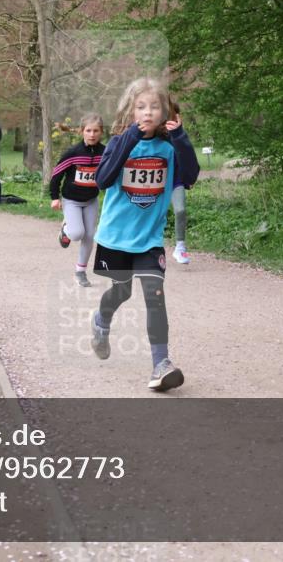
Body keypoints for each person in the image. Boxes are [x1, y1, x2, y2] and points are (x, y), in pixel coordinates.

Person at [89, 77, 199, 392]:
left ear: (165, 112)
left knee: (154, 294)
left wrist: (181, 137)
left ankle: (161, 364)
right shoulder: (119, 143)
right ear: (131, 111)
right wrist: (130, 137)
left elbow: (190, 177)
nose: (148, 112)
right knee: (121, 292)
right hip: (115, 238)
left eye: (154, 107)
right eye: (141, 107)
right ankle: (101, 320)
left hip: (149, 239)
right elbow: (102, 179)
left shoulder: (169, 148)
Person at [50, 113, 106, 287]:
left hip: (91, 200)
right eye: (88, 130)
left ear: (101, 132)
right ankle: (66, 230)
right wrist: (54, 197)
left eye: (96, 131)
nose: (92, 134)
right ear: (82, 131)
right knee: (76, 234)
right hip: (71, 200)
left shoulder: (105, 152)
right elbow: (56, 175)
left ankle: (80, 272)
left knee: (89, 236)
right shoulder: (73, 153)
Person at [169, 101, 192, 265]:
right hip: (156, 182)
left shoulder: (180, 135)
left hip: (176, 181)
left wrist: (189, 177)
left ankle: (180, 246)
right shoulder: (153, 133)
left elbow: (189, 159)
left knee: (181, 210)